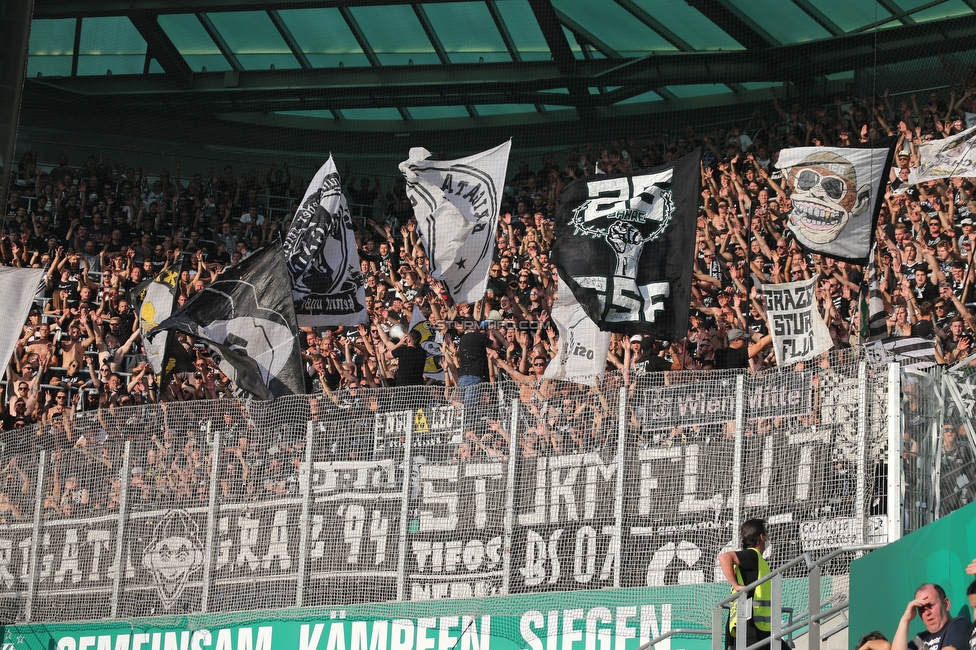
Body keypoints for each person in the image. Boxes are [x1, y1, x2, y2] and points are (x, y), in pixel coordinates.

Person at [718, 518, 782, 649]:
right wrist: (736, 585)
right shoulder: (752, 555)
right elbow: (724, 557)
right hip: (751, 627)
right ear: (761, 537)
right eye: (766, 534)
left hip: (755, 627)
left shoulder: (756, 559)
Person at [891, 583, 970, 650]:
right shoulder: (919, 639)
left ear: (946, 604)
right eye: (921, 608)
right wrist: (905, 620)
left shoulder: (959, 624)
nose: (927, 612)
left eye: (930, 605)